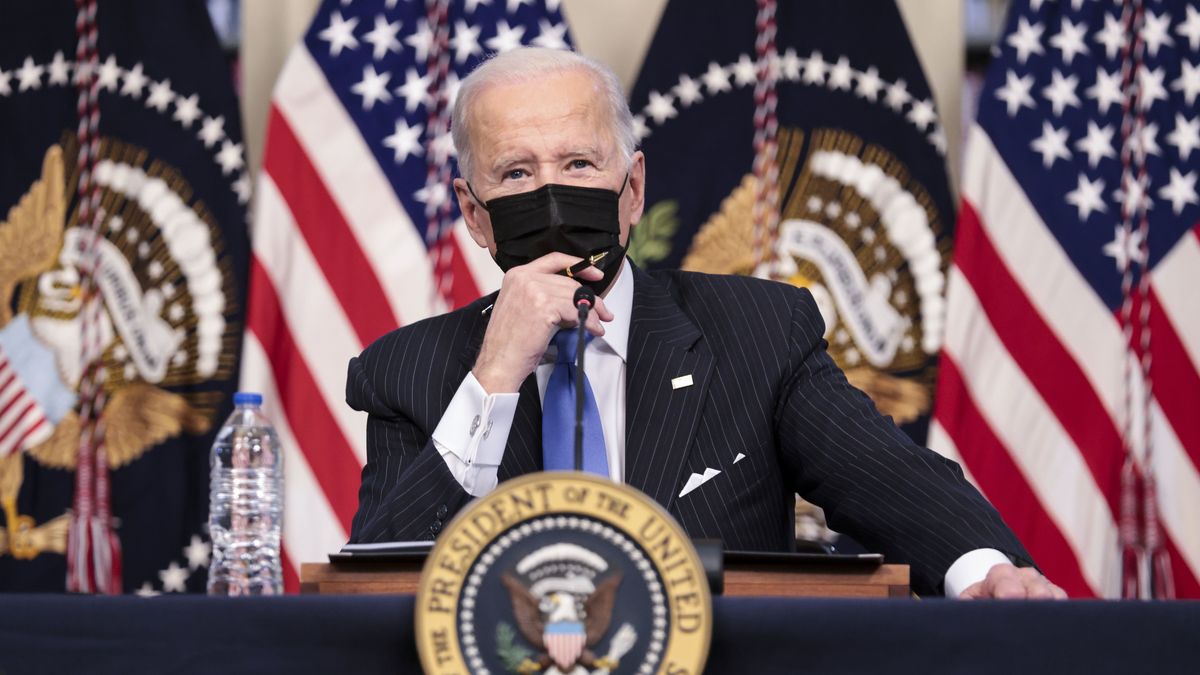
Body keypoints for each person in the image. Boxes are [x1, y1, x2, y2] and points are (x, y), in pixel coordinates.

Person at [346, 47, 1064, 599]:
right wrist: (494, 378)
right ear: (474, 214)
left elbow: (886, 476)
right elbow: (374, 588)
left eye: (578, 162)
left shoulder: (756, 331)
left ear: (633, 190)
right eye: (516, 175)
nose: (553, 195)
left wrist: (987, 569)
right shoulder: (407, 371)